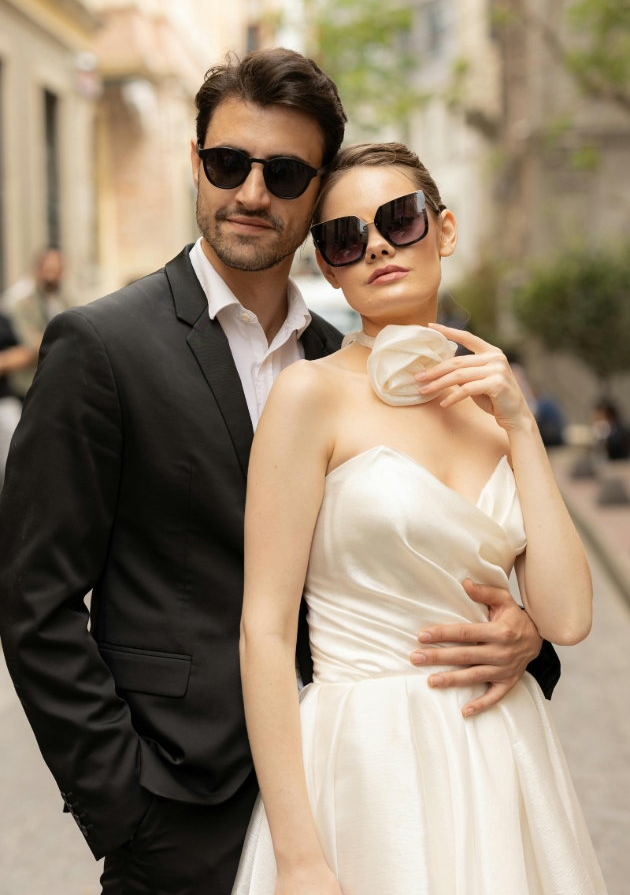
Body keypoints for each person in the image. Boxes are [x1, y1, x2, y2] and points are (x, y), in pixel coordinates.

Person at [0, 51, 558, 895]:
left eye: (286, 172)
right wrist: (125, 806)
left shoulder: (355, 365)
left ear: (318, 193)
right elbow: (32, 598)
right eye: (229, 163)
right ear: (196, 163)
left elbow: (438, 549)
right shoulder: (103, 347)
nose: (252, 193)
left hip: (363, 799)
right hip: (183, 815)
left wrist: (528, 635)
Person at [236, 143, 605, 894]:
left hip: (503, 750)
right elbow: (264, 631)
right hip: (368, 764)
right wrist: (299, 854)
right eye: (345, 236)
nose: (374, 244)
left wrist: (521, 424)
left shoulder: (499, 403)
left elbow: (566, 618)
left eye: (398, 220)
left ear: (445, 230)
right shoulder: (309, 396)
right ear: (332, 268)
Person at [4, 246, 71, 397]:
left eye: (56, 270)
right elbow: (34, 343)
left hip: (59, 383)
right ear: (38, 270)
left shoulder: (67, 302)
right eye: (48, 270)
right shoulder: (24, 304)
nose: (52, 277)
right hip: (29, 384)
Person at [0, 312, 32, 486]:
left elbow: (25, 351)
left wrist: (3, 362)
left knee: (13, 464)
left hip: (3, 401)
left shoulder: (2, 318)